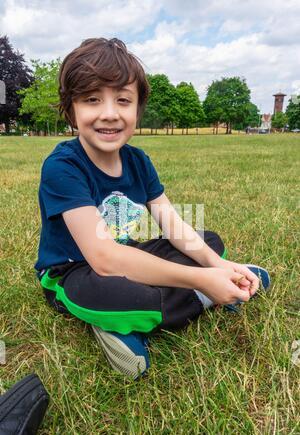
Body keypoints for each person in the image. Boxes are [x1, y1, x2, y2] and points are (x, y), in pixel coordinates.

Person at [34, 38, 270, 379]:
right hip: (73, 271)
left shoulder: (138, 161)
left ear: (137, 109)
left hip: (125, 253)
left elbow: (173, 225)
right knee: (123, 295)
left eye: (123, 100)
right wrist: (204, 279)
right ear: (71, 110)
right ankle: (196, 298)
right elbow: (104, 259)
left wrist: (218, 264)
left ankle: (134, 318)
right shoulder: (63, 166)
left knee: (209, 241)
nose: (110, 113)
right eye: (92, 100)